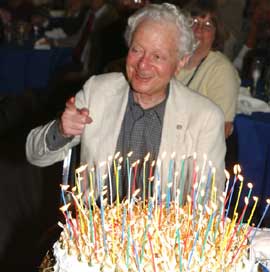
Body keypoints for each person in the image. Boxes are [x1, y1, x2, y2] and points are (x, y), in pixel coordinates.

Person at [26, 3, 226, 203]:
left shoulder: (204, 117)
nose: (142, 64)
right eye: (137, 50)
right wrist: (61, 131)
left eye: (157, 56)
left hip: (162, 232)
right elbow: (34, 155)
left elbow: (210, 200)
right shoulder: (98, 92)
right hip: (95, 227)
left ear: (181, 61)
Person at [175, 0, 240, 139]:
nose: (199, 30)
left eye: (208, 25)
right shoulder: (170, 58)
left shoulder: (221, 70)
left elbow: (223, 129)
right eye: (193, 22)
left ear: (216, 33)